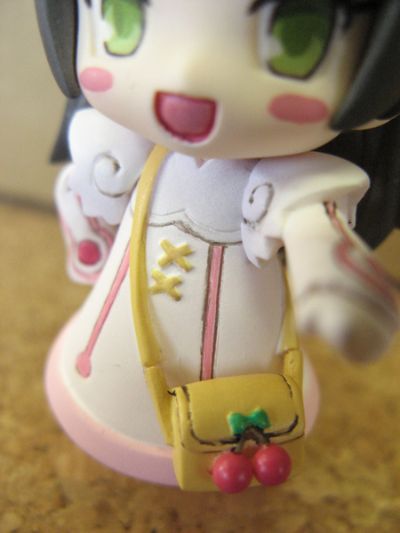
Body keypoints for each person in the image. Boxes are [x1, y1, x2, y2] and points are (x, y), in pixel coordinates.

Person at [35, 0, 399, 492]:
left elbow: (306, 211)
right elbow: (98, 178)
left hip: (246, 340)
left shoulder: (280, 177)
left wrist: (326, 268)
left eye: (296, 42)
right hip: (119, 344)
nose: (187, 80)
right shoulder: (132, 146)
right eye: (124, 21)